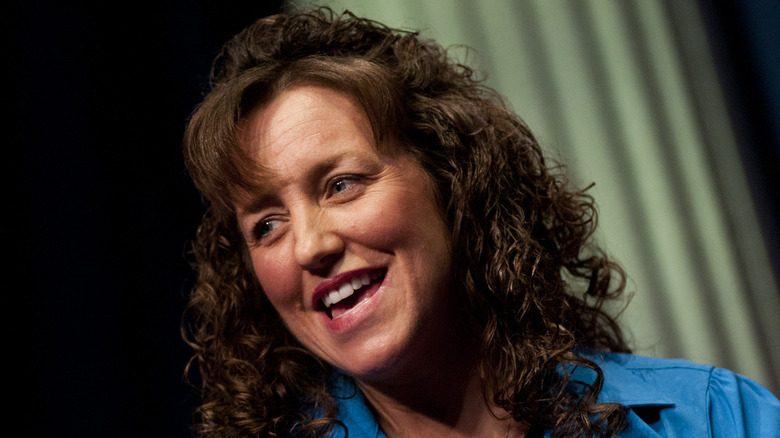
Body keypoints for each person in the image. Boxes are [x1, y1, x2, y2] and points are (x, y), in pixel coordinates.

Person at [181, 7, 780, 438]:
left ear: (451, 179)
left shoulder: (715, 418)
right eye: (267, 225)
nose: (310, 245)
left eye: (341, 184)